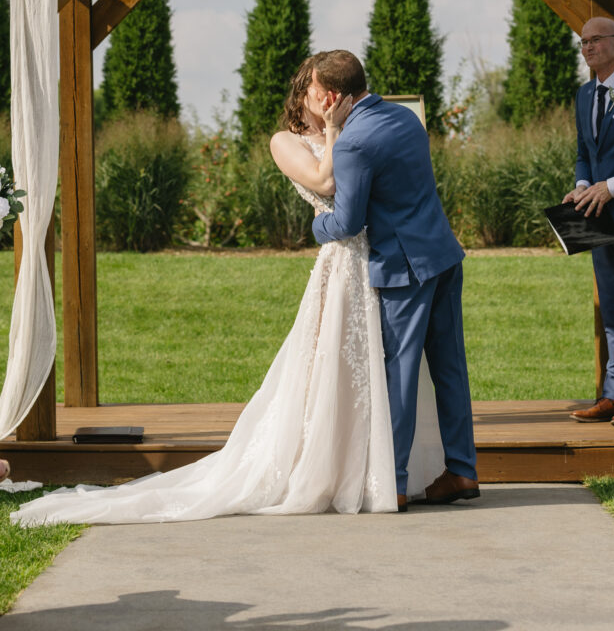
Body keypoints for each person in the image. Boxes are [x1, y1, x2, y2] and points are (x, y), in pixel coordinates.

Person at [11, 56, 398, 526]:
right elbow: (326, 181)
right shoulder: (286, 142)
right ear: (305, 95)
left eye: (330, 94)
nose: (327, 101)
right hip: (338, 267)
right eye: (319, 93)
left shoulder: (358, 131)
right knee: (327, 365)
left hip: (372, 264)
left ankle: (366, 468)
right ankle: (317, 468)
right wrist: (336, 132)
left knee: (369, 367)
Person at [309, 50, 478, 511]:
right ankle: (462, 471)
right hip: (443, 254)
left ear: (331, 96)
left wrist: (314, 227)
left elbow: (346, 222)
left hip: (406, 269)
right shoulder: (405, 119)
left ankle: (396, 484)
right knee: (449, 368)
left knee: (400, 375)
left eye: (312, 89)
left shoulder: (353, 142)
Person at [563, 17, 614, 427]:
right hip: (595, 220)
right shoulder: (583, 95)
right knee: (611, 310)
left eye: (595, 40)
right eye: (583, 43)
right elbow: (584, 152)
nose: (588, 48)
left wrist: (610, 187)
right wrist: (582, 186)